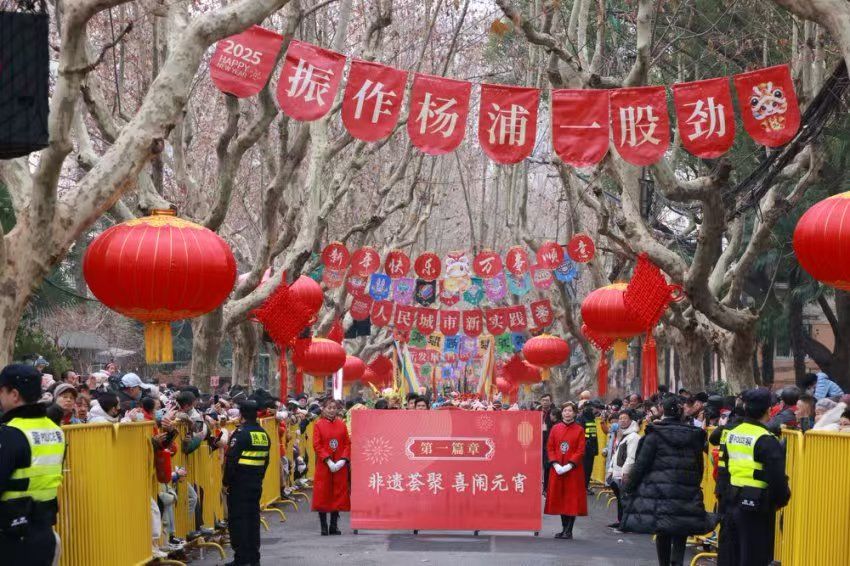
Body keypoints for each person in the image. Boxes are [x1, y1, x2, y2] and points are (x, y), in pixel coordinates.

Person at [622, 396, 716, 566]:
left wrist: (629, 487)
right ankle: (677, 562)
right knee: (681, 528)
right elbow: (698, 466)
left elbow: (641, 465)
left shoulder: (654, 435)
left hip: (660, 491)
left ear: (663, 411)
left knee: (663, 530)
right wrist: (694, 484)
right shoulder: (693, 435)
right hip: (685, 490)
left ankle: (664, 563)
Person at [0, 364, 66, 565]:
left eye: (1, 391)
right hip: (43, 534)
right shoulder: (56, 432)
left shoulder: (10, 434)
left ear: (14, 395)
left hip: (11, 540)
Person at [717, 388, 790, 566]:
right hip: (757, 506)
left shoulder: (733, 434)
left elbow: (724, 468)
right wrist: (781, 499)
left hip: (732, 500)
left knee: (732, 556)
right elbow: (777, 478)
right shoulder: (766, 439)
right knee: (754, 557)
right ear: (768, 411)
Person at [223, 400, 270, 566]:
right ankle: (254, 558)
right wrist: (258, 478)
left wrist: (226, 482)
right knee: (253, 520)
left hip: (239, 485)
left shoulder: (240, 434)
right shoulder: (263, 434)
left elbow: (231, 460)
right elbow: (266, 461)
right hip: (255, 484)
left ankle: (241, 559)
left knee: (238, 521)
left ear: (241, 414)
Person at [544, 402, 587, 539]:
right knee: (561, 497)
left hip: (573, 470)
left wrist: (570, 465)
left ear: (574, 413)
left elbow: (580, 450)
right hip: (558, 468)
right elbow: (550, 447)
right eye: (565, 411)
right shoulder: (555, 428)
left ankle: (569, 530)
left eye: (570, 411)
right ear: (561, 413)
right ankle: (564, 528)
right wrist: (555, 464)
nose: (567, 413)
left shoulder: (579, 430)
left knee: (571, 498)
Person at [312, 398, 351, 536]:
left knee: (338, 493)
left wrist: (343, 460)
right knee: (323, 493)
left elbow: (347, 443)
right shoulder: (318, 425)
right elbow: (317, 445)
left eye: (334, 408)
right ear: (323, 409)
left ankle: (334, 525)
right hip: (324, 465)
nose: (332, 410)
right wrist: (328, 460)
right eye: (329, 408)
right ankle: (324, 526)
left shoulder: (342, 424)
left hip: (339, 464)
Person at [606, 410, 640, 529]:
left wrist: (625, 472)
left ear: (631, 420)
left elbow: (631, 457)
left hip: (624, 474)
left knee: (625, 499)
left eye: (625, 418)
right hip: (617, 472)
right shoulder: (623, 435)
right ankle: (621, 520)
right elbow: (616, 454)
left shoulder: (634, 437)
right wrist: (610, 470)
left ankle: (626, 523)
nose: (622, 421)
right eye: (620, 418)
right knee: (620, 498)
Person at [576, 402, 598, 492]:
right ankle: (582, 487)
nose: (590, 409)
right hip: (584, 448)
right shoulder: (580, 418)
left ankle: (585, 486)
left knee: (589, 469)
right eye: (587, 407)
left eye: (590, 407)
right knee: (584, 469)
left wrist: (595, 448)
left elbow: (594, 435)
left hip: (591, 448)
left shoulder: (592, 418)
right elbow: (579, 434)